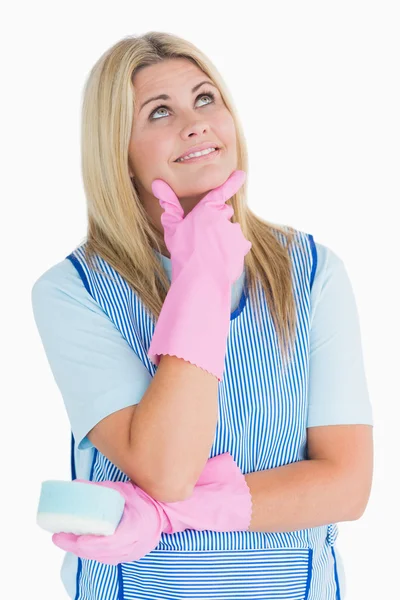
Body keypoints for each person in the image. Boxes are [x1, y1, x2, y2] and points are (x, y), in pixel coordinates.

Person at [31, 32, 374, 600]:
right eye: (160, 112)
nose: (196, 124)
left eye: (206, 99)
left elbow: (345, 486)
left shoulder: (312, 272)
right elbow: (166, 467)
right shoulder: (73, 290)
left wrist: (167, 515)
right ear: (118, 150)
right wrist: (200, 282)